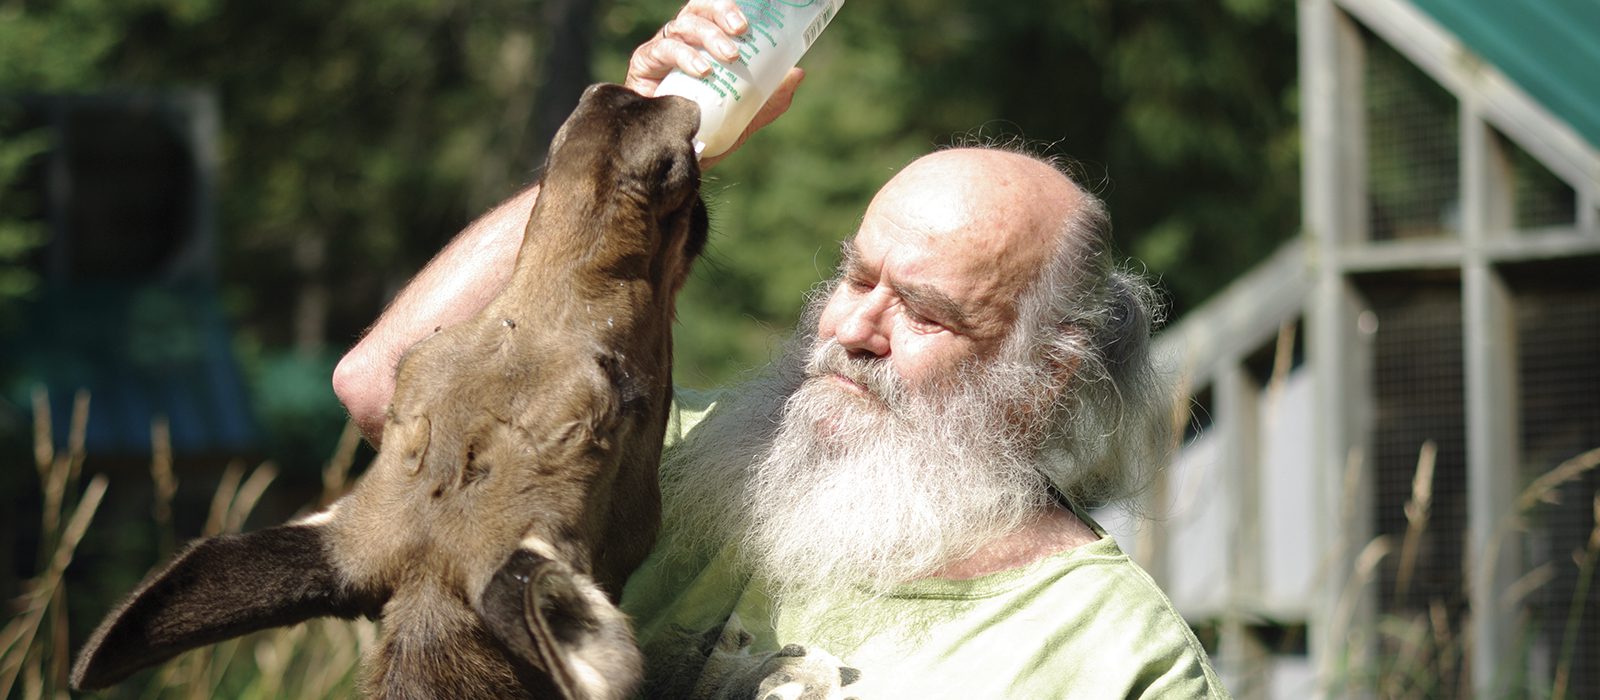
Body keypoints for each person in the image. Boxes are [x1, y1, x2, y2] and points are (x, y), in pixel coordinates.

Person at [334, 2, 1230, 697]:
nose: (850, 329)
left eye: (923, 312)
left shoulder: (1113, 655)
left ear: (1045, 379)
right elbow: (385, 386)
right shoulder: (681, 474)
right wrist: (628, 160)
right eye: (855, 276)